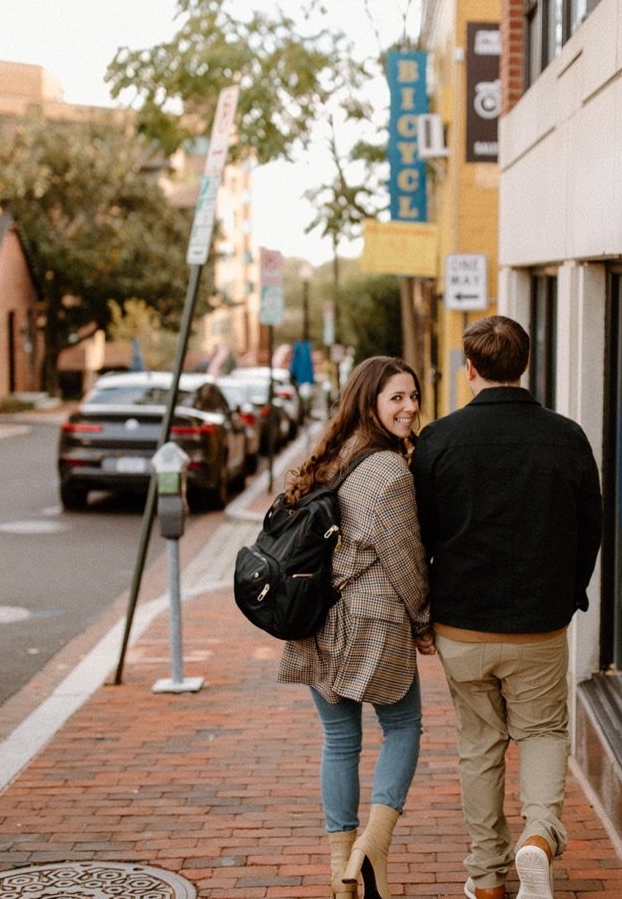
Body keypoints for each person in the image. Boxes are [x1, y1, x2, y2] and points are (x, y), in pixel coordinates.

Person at [411, 315, 602, 899]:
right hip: (538, 625)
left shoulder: (437, 441)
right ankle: (539, 838)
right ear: (524, 366)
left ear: (470, 369)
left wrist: (425, 614)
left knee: (480, 745)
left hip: (461, 626)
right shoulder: (566, 437)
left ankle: (487, 877)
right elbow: (590, 528)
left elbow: (420, 536)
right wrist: (570, 594)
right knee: (544, 730)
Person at [276, 356, 435, 899]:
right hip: (373, 621)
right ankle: (375, 843)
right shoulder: (388, 471)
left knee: (340, 740)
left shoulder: (328, 459)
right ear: (369, 403)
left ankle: (340, 869)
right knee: (404, 726)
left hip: (318, 620)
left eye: (413, 396)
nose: (410, 407)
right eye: (397, 398)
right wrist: (422, 621)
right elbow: (405, 559)